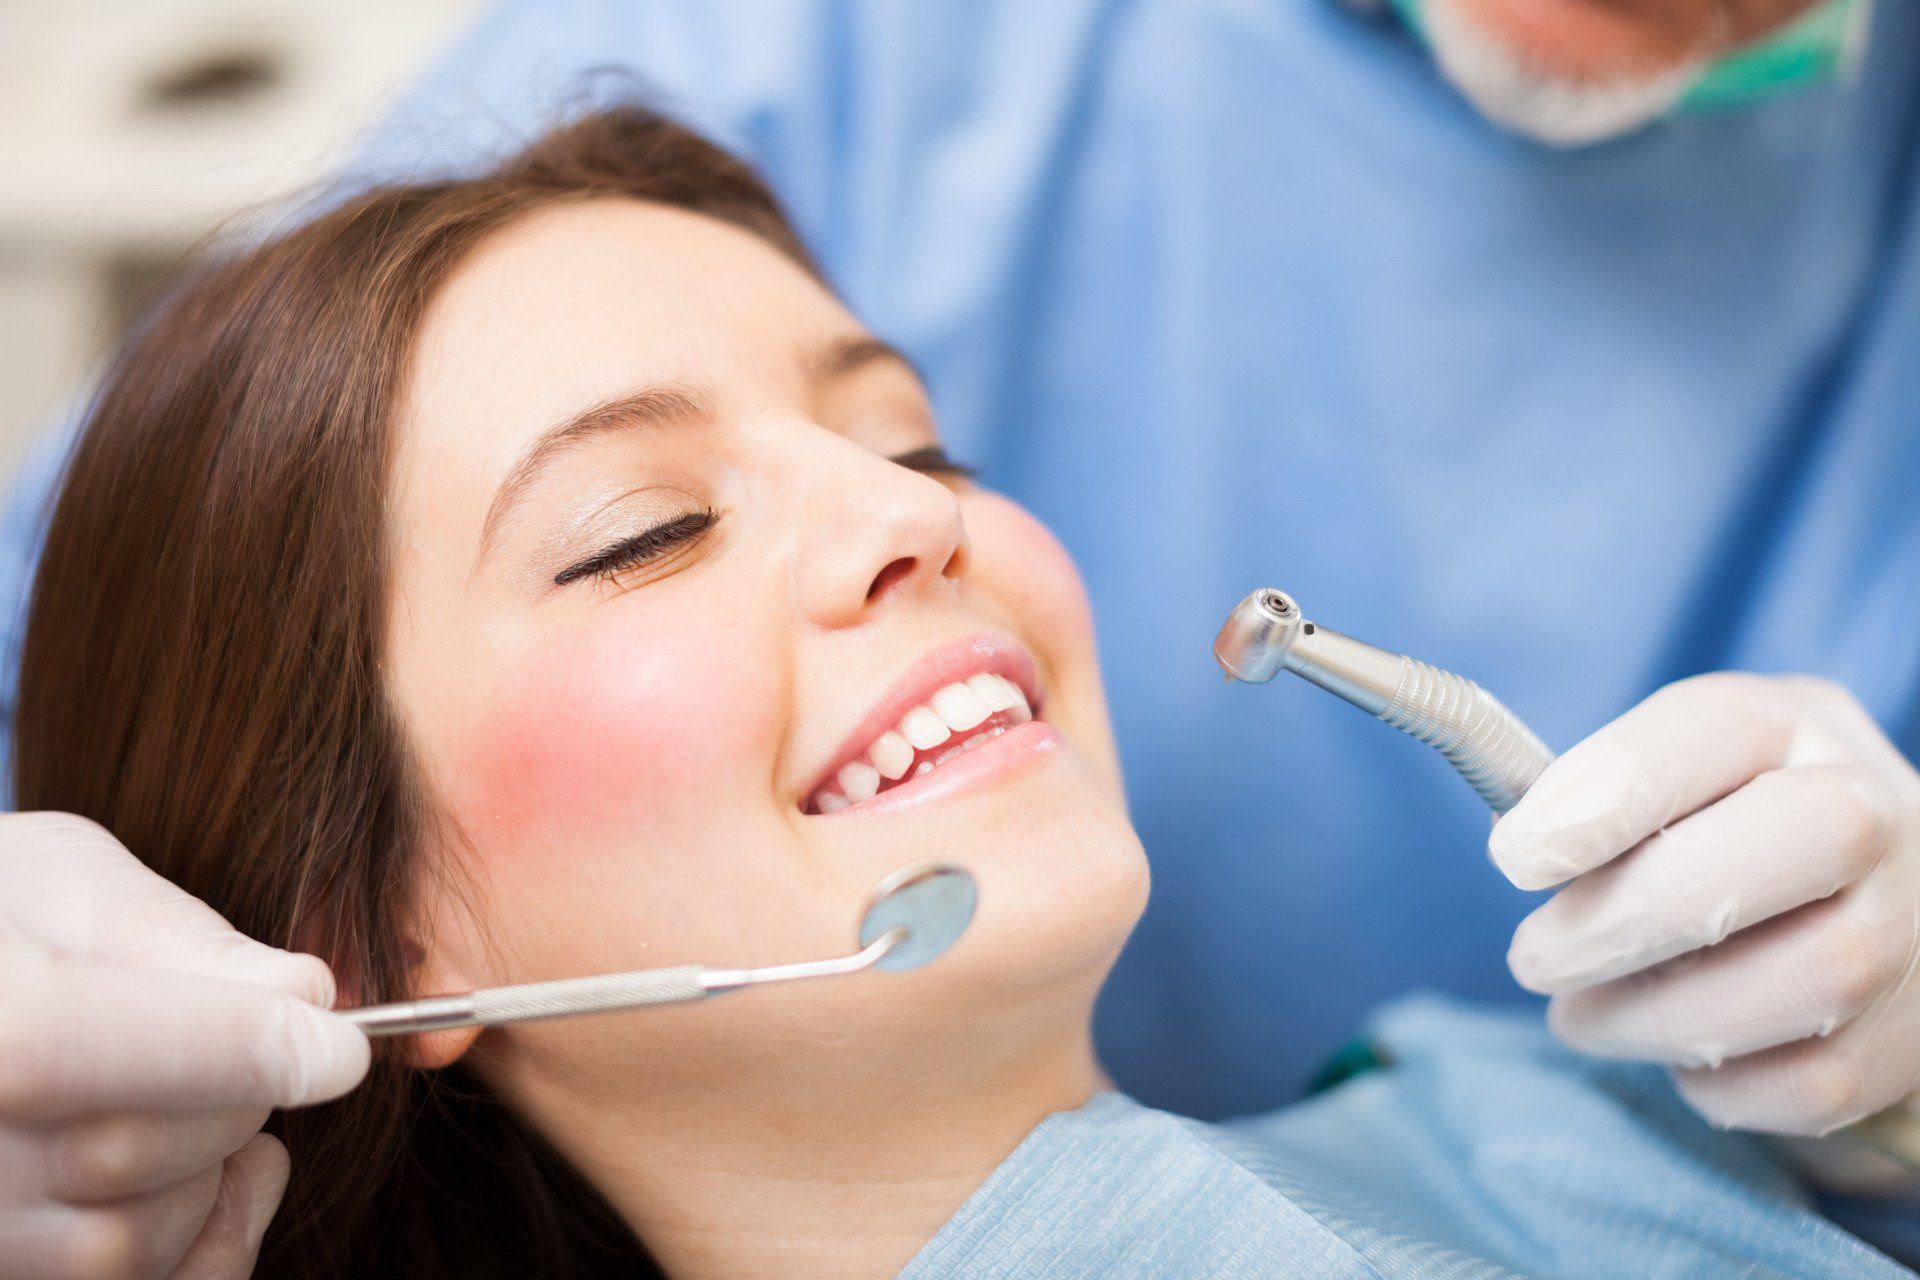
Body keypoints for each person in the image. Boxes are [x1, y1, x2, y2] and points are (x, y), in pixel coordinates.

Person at [0, 106, 1912, 1280]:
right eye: (645, 530)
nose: (908, 526)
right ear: (353, 939)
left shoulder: (1541, 1122)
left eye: (917, 446)